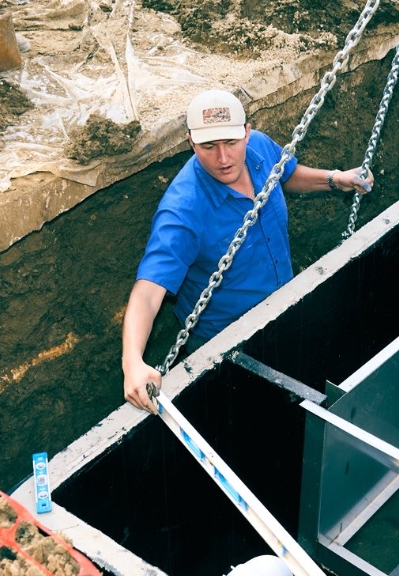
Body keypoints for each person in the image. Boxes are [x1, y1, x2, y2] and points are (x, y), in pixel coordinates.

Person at [122, 91, 371, 409]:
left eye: (232, 142)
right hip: (226, 343)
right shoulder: (183, 210)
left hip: (286, 307)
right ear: (191, 143)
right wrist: (132, 362)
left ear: (247, 132)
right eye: (209, 147)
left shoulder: (260, 148)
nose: (223, 158)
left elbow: (288, 175)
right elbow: (148, 292)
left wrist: (335, 179)